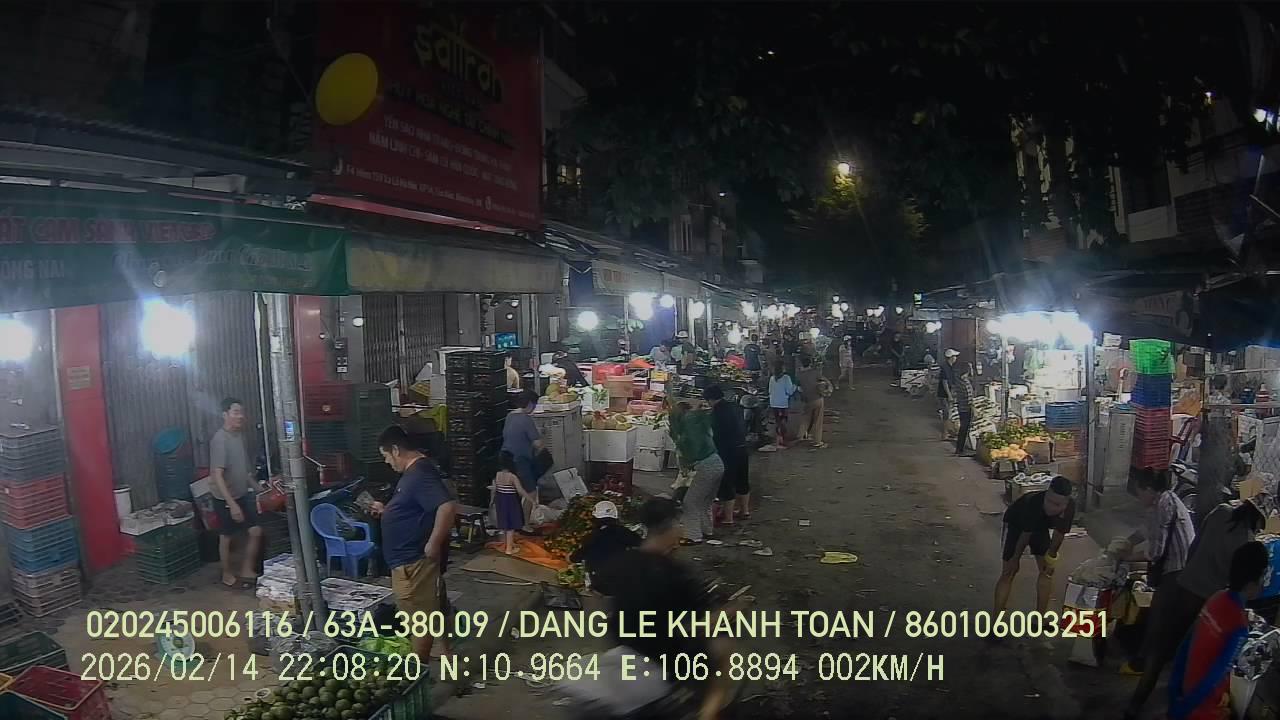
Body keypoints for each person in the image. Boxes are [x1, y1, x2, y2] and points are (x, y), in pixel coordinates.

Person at [1124, 494, 1272, 719]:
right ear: (1258, 519)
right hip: (1208, 601)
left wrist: (1191, 571)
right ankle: (1179, 705)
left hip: (1183, 586)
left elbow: (1193, 546)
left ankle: (1135, 704)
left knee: (1160, 651)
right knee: (1191, 658)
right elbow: (1236, 581)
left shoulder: (1220, 511)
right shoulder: (1247, 542)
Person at [599, 498, 733, 720]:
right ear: (670, 527)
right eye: (679, 524)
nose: (681, 529)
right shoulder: (675, 573)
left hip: (625, 647)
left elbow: (602, 597)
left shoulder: (622, 561)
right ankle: (708, 713)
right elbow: (704, 623)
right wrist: (735, 609)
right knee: (723, 648)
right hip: (664, 659)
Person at [372, 425, 458, 661]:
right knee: (434, 606)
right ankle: (443, 651)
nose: (387, 462)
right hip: (411, 560)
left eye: (386, 456)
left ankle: (416, 670)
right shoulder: (413, 474)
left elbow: (446, 506)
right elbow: (415, 508)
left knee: (419, 620)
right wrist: (387, 511)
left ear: (396, 450)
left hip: (413, 562)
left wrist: (433, 543)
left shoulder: (419, 474)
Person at [1166, 541, 1269, 720]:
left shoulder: (1216, 598)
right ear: (1255, 581)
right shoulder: (1239, 625)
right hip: (1201, 705)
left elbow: (1186, 645)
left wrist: (1174, 693)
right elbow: (1215, 676)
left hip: (1186, 689)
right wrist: (1183, 710)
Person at [995, 476, 1076, 613]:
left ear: (1066, 503)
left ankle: (1040, 618)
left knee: (1047, 571)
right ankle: (995, 621)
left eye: (1057, 505)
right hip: (1016, 524)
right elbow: (1025, 535)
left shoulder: (1070, 508)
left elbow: (1059, 533)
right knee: (1009, 571)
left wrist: (1051, 557)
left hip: (1040, 527)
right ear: (1047, 492)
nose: (1050, 507)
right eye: (1049, 501)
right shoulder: (1033, 502)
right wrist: (1015, 559)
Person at [209, 397, 267, 589]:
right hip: (225, 497)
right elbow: (217, 475)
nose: (240, 416)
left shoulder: (239, 436)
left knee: (255, 531)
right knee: (227, 536)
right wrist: (232, 504)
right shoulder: (220, 440)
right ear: (224, 415)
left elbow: (245, 471)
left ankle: (246, 569)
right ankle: (226, 573)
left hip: (241, 494)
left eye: (241, 412)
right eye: (236, 412)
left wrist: (259, 488)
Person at [667, 400, 724, 544]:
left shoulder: (685, 437)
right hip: (718, 463)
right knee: (705, 502)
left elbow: (686, 462)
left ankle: (693, 536)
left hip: (706, 468)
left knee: (690, 503)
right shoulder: (699, 426)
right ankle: (707, 530)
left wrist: (684, 473)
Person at [570, 500, 641, 594]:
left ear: (595, 519)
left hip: (600, 585)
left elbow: (575, 557)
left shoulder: (592, 537)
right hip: (622, 583)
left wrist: (571, 556)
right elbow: (641, 543)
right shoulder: (624, 532)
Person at [706, 386, 750, 525]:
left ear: (710, 399)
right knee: (742, 480)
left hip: (728, 450)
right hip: (742, 447)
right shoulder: (735, 406)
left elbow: (715, 433)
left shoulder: (717, 412)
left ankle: (728, 518)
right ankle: (744, 511)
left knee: (727, 482)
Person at [501, 390, 545, 499]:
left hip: (505, 459)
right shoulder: (526, 419)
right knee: (531, 492)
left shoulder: (510, 416)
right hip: (520, 461)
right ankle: (529, 510)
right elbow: (538, 444)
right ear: (530, 404)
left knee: (514, 491)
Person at [492, 451, 535, 555]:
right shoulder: (512, 477)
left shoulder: (497, 475)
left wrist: (492, 501)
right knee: (511, 526)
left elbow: (494, 489)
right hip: (511, 502)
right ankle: (509, 549)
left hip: (500, 501)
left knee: (505, 525)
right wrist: (531, 500)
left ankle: (506, 545)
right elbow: (520, 490)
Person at [796, 356, 828, 448]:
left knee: (805, 418)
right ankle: (817, 441)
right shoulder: (815, 372)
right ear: (810, 363)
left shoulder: (799, 375)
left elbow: (799, 388)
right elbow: (824, 381)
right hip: (817, 398)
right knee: (818, 420)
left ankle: (800, 436)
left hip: (807, 400)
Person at [767, 363, 798, 449]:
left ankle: (778, 438)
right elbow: (790, 391)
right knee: (783, 420)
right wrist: (795, 386)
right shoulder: (786, 378)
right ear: (782, 369)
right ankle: (782, 439)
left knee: (778, 421)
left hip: (773, 403)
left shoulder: (772, 378)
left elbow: (769, 391)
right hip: (783, 403)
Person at [952, 361, 975, 456]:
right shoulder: (965, 383)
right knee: (964, 428)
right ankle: (960, 449)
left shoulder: (958, 381)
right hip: (966, 408)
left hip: (961, 407)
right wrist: (974, 409)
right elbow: (969, 399)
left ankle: (960, 448)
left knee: (963, 428)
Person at [937, 349, 959, 440]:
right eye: (955, 356)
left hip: (947, 393)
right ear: (951, 357)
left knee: (949, 414)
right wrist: (949, 395)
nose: (956, 358)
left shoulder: (950, 367)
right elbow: (945, 382)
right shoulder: (945, 367)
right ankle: (945, 434)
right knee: (946, 414)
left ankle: (948, 432)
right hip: (944, 394)